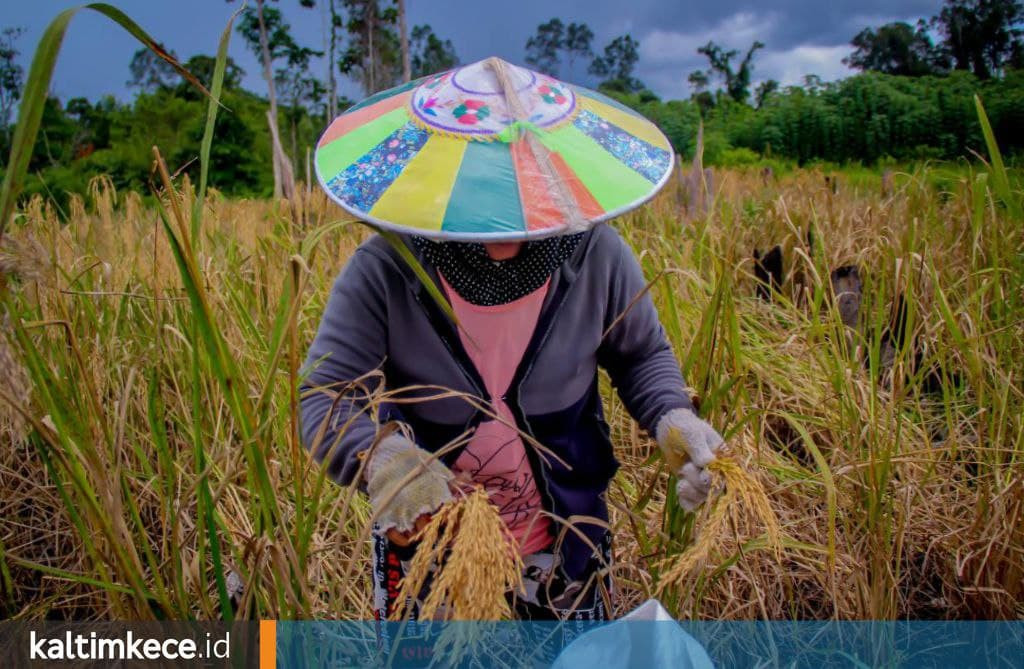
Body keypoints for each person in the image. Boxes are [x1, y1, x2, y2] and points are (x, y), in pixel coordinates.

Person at [300, 223, 724, 622]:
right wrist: (386, 463)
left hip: (565, 545)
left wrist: (671, 413)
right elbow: (325, 396)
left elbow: (640, 354)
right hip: (428, 545)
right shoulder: (389, 265)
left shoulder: (596, 255)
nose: (502, 229)